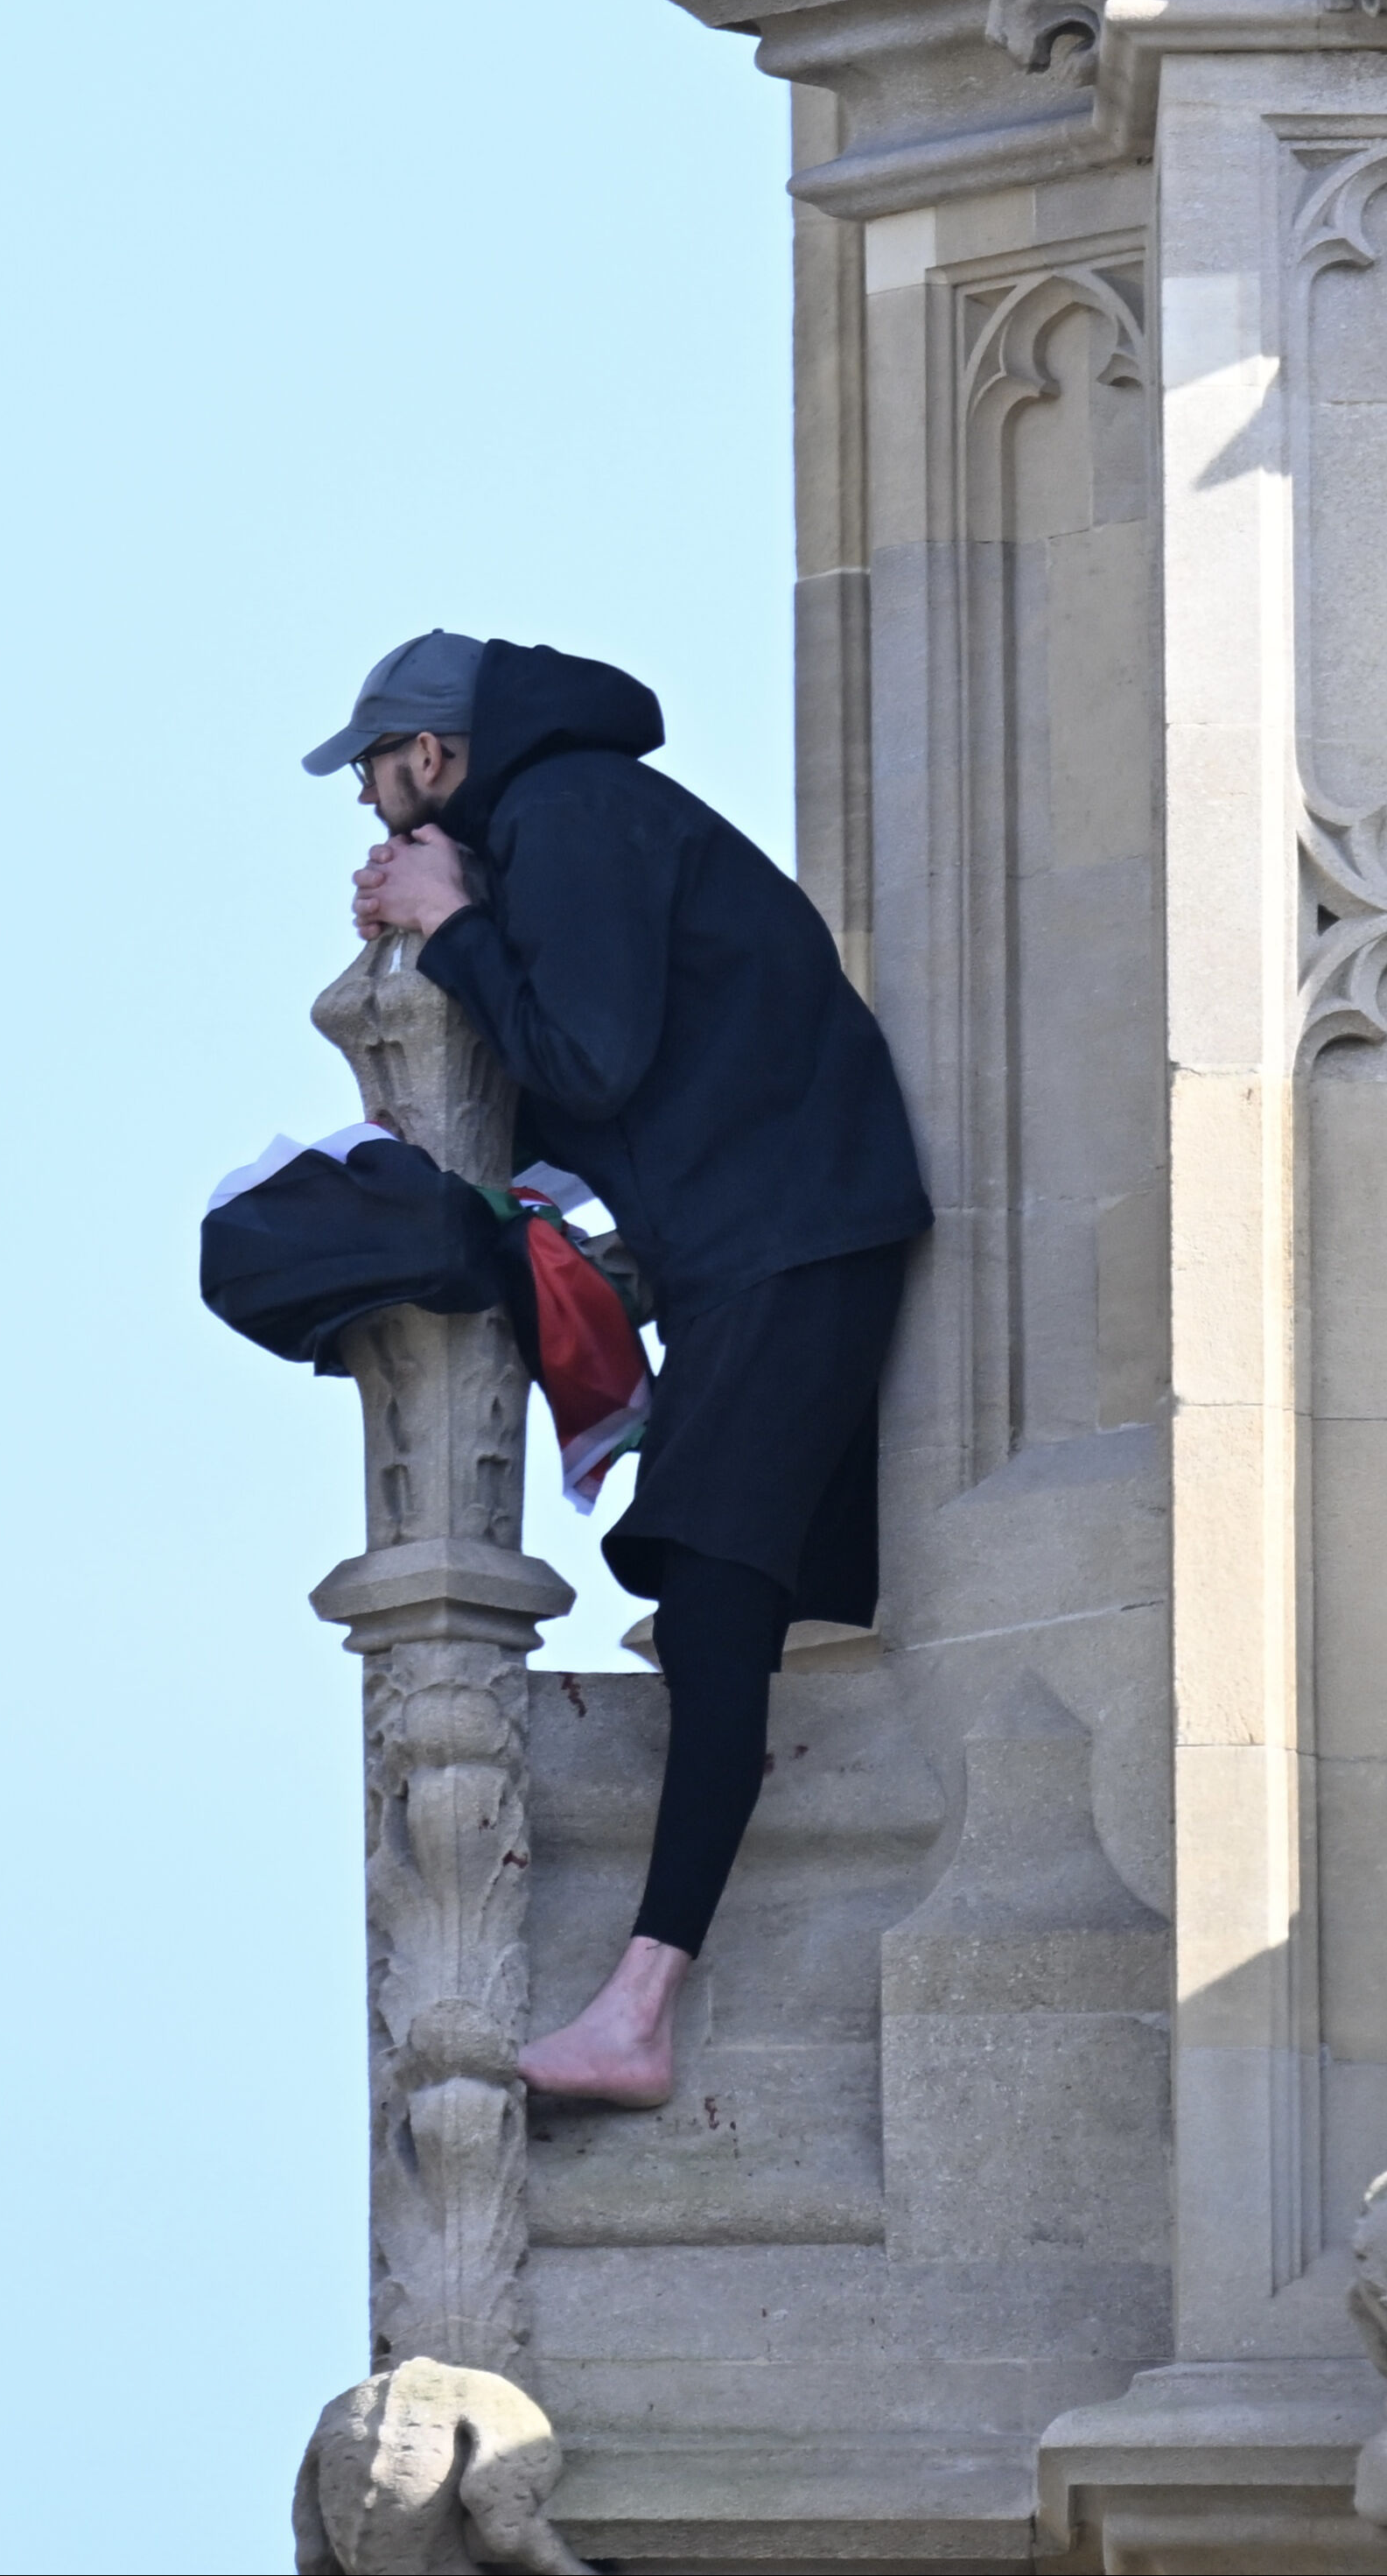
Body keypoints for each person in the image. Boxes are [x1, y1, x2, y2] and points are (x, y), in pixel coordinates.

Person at [309, 628, 929, 2108]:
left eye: (380, 777)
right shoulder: (565, 822)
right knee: (745, 1608)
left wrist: (451, 923)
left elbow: (583, 1060)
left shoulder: (568, 812)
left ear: (437, 757)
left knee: (715, 1604)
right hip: (775, 1236)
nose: (372, 813)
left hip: (791, 1237)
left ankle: (637, 2012)